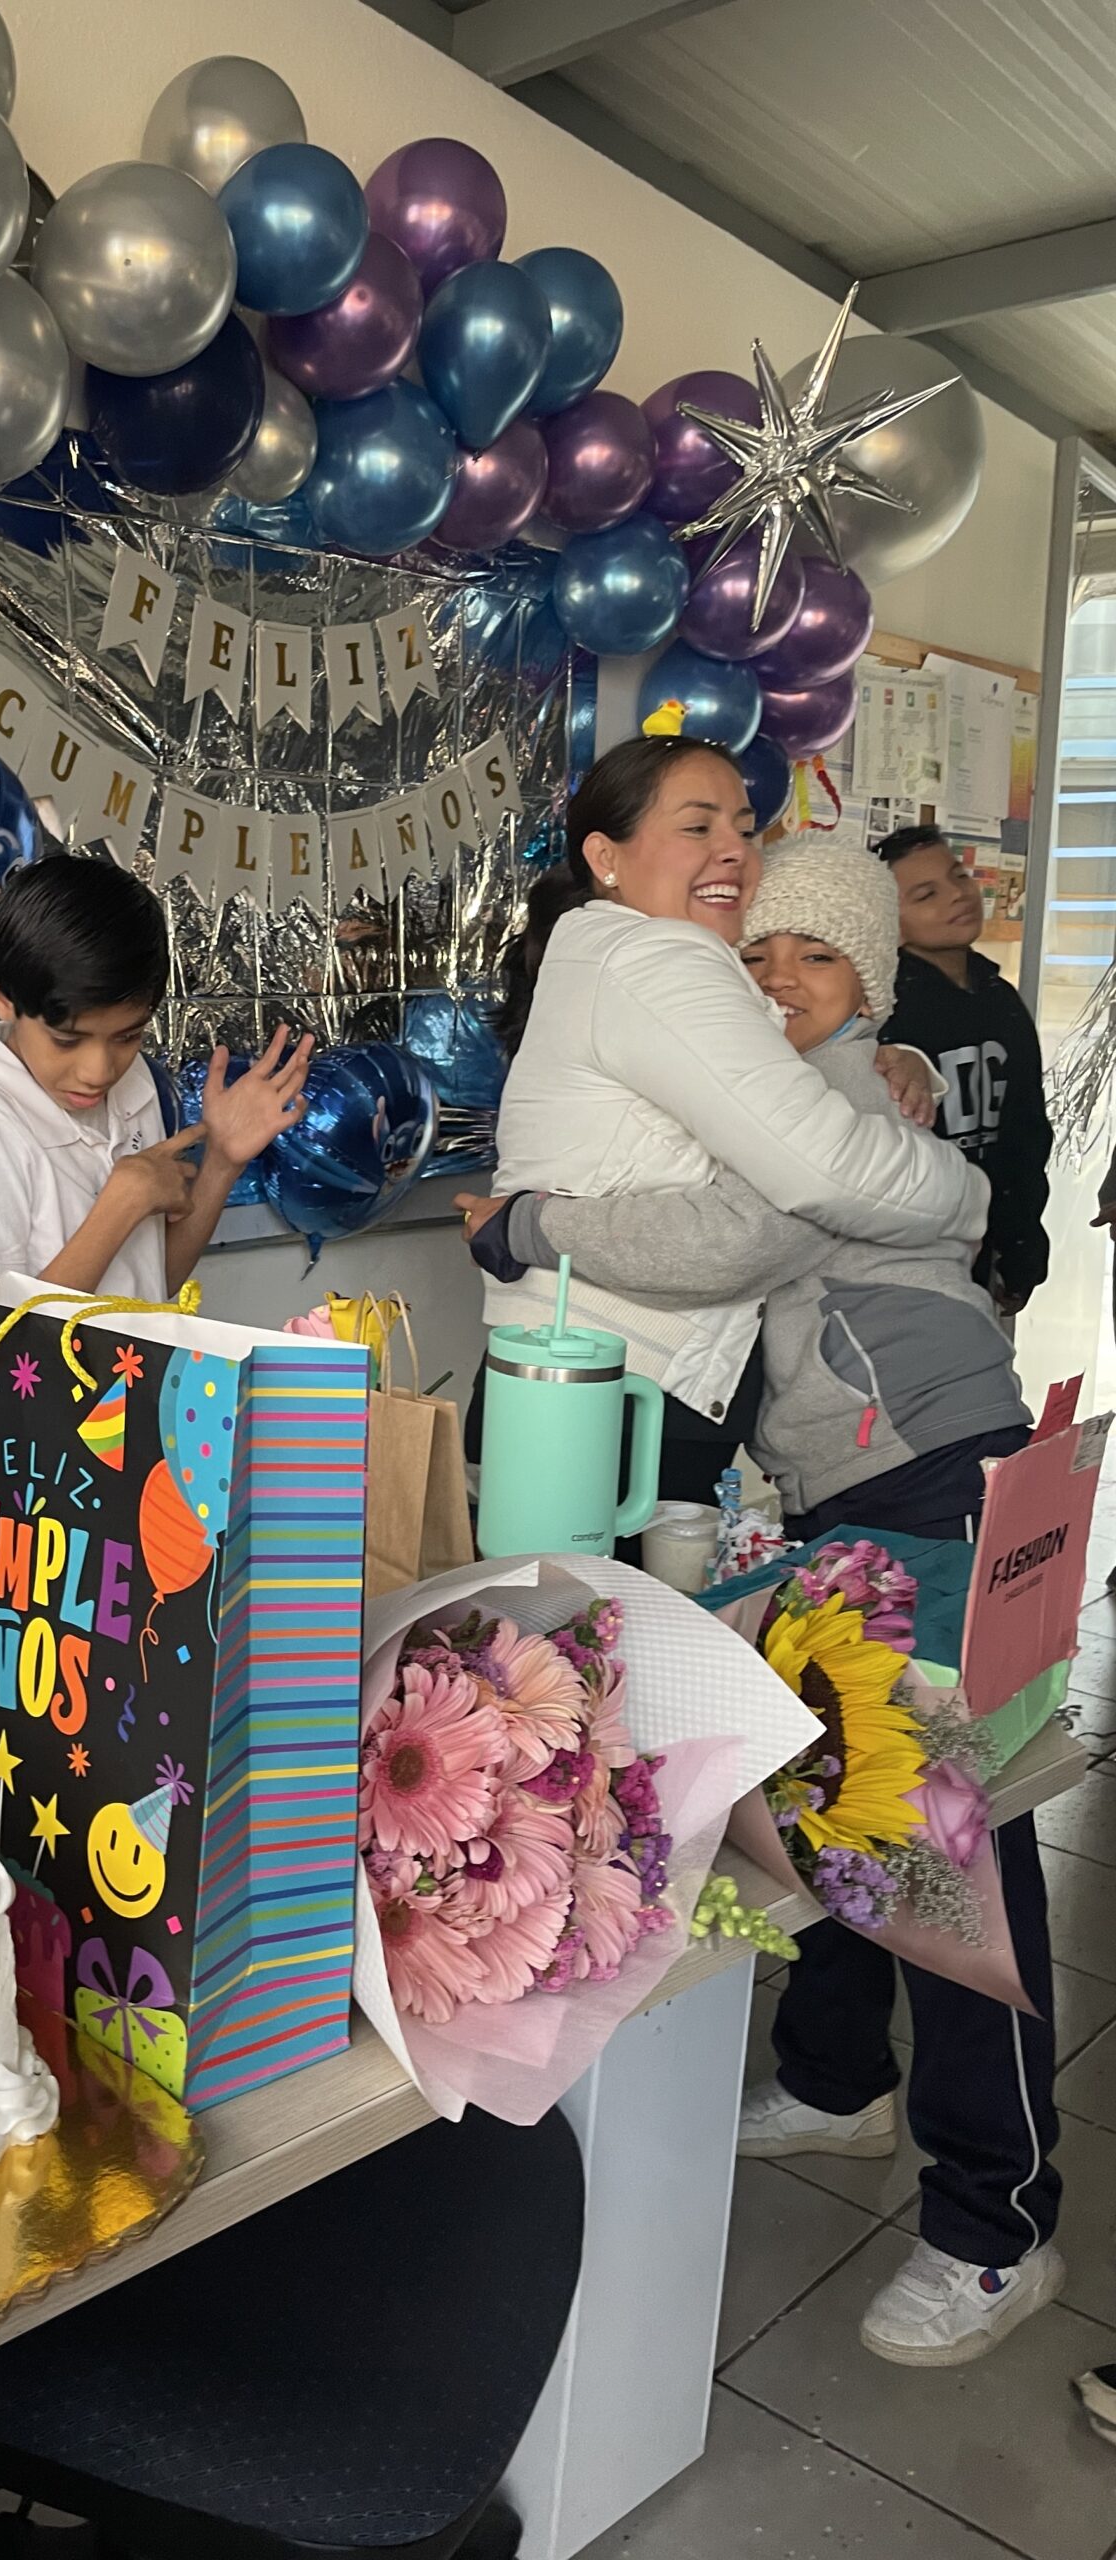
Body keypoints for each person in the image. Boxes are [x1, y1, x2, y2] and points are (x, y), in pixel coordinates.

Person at [465, 843, 1062, 2368]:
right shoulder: (799, 1094)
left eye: (818, 956)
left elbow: (729, 1237)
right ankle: (837, 2075)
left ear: (873, 984)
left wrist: (526, 1226)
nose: (779, 977)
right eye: (760, 954)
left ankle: (998, 2227)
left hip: (933, 1474)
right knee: (830, 1783)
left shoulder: (843, 1104)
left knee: (952, 1846)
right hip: (850, 1483)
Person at [466, 735, 988, 1509]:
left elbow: (791, 1084)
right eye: (697, 826)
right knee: (577, 1587)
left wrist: (894, 1056)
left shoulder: (636, 957)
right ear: (606, 856)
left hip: (632, 1378)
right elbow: (811, 1182)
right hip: (614, 1380)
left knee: (575, 1588)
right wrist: (966, 1196)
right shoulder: (658, 959)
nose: (734, 850)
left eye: (744, 828)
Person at [0, 854, 311, 1297]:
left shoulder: (135, 1083)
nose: (99, 1071)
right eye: (67, 1040)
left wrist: (223, 1162)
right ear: (0, 997)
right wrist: (121, 1205)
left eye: (127, 1037)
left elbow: (154, 1279)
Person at [878, 824, 1051, 1317]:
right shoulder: (883, 1006)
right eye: (926, 894)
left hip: (988, 1250)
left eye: (958, 876)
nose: (957, 895)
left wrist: (1023, 1245)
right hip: (909, 1257)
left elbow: (1026, 1130)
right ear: (888, 921)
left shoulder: (999, 996)